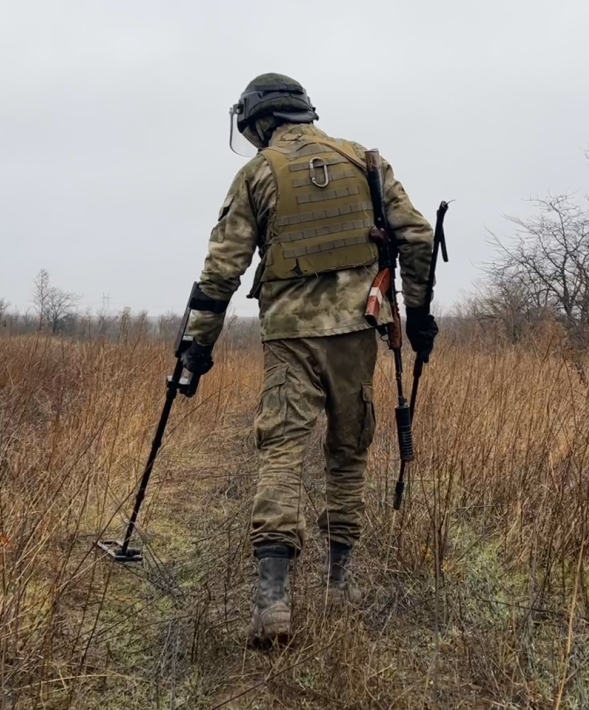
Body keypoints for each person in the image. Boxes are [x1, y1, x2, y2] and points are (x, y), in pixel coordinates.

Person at [180, 73, 438, 646]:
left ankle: (273, 601)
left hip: (290, 335)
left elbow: (222, 269)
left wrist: (198, 347)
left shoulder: (257, 173)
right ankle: (339, 587)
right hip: (357, 331)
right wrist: (417, 316)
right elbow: (417, 237)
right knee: (348, 453)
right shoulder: (366, 162)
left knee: (281, 453)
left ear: (257, 122)